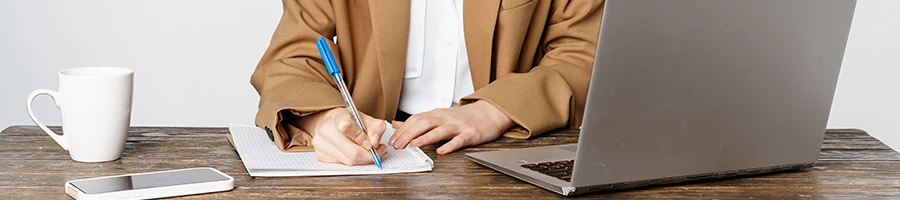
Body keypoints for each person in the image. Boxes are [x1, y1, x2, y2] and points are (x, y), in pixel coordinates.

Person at [250, 0, 604, 166]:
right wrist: (325, 119)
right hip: (379, 151)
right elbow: (291, 58)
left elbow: (585, 55)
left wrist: (493, 112)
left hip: (511, 144)